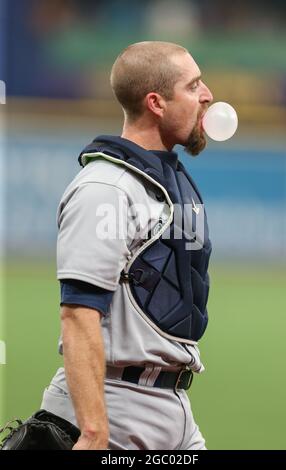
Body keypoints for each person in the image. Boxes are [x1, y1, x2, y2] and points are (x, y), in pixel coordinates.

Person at [41, 41, 213, 450]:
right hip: (114, 408)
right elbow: (79, 314)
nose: (208, 95)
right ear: (156, 102)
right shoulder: (106, 188)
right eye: (194, 86)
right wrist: (93, 432)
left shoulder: (167, 182)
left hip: (173, 407)